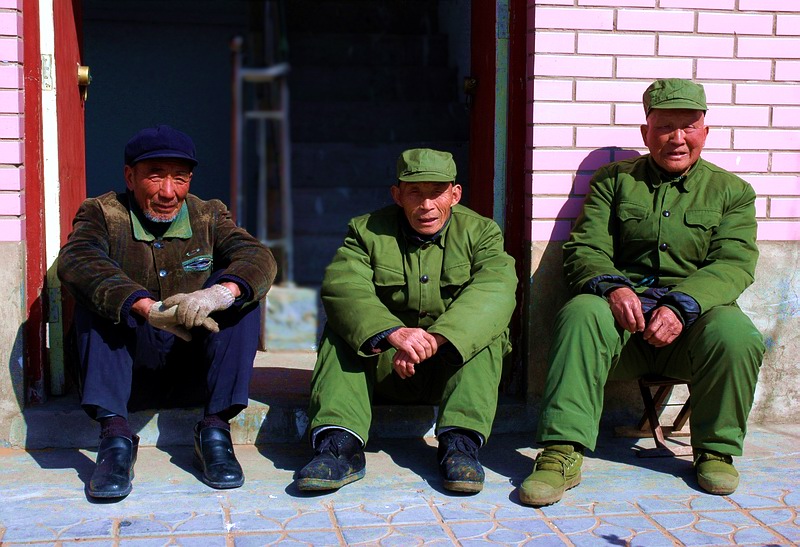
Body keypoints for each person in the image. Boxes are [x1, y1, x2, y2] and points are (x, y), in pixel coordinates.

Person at [518, 78, 765, 506]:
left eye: (688, 126)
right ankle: (561, 452)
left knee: (737, 333)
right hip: (623, 330)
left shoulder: (733, 192)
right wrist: (612, 288)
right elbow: (586, 247)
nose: (677, 138)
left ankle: (716, 450)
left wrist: (682, 305)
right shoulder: (614, 181)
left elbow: (733, 264)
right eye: (665, 126)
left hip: (690, 330)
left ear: (705, 132)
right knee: (581, 313)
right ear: (645, 132)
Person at [57, 125, 277, 499]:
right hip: (128, 377)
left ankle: (214, 429)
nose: (168, 192)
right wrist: (144, 307)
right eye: (155, 176)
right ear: (130, 176)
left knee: (240, 293)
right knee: (100, 296)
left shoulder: (210, 214)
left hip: (193, 371)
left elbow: (258, 257)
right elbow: (78, 259)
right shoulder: (101, 213)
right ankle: (114, 439)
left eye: (180, 178)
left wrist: (217, 295)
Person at [295, 148, 518, 493]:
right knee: (341, 330)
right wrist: (393, 334)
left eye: (436, 192)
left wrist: (437, 339)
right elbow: (344, 287)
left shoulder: (482, 233)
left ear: (455, 195)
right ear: (397, 195)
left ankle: (460, 446)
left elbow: (496, 290)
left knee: (489, 333)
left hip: (449, 368)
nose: (426, 205)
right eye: (415, 192)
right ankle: (339, 446)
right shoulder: (365, 231)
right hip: (386, 367)